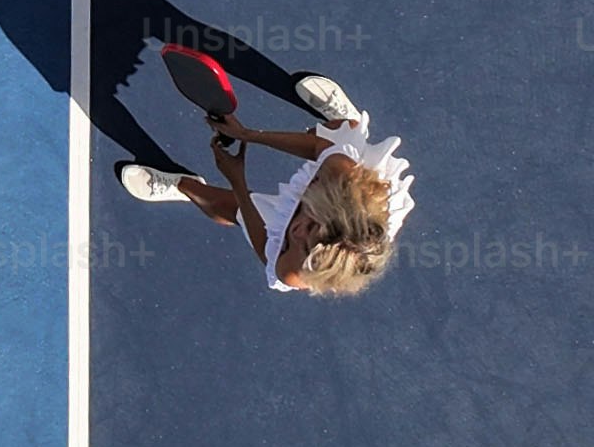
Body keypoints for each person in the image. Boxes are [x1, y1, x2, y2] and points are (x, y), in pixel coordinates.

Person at [112, 33, 415, 297]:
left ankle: (181, 184)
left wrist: (237, 181)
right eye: (310, 226)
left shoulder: (294, 272)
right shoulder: (343, 172)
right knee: (342, 134)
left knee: (236, 210)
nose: (295, 232)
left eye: (305, 243)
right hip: (355, 184)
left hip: (330, 202)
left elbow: (264, 247)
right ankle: (346, 120)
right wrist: (247, 135)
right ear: (332, 205)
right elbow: (315, 148)